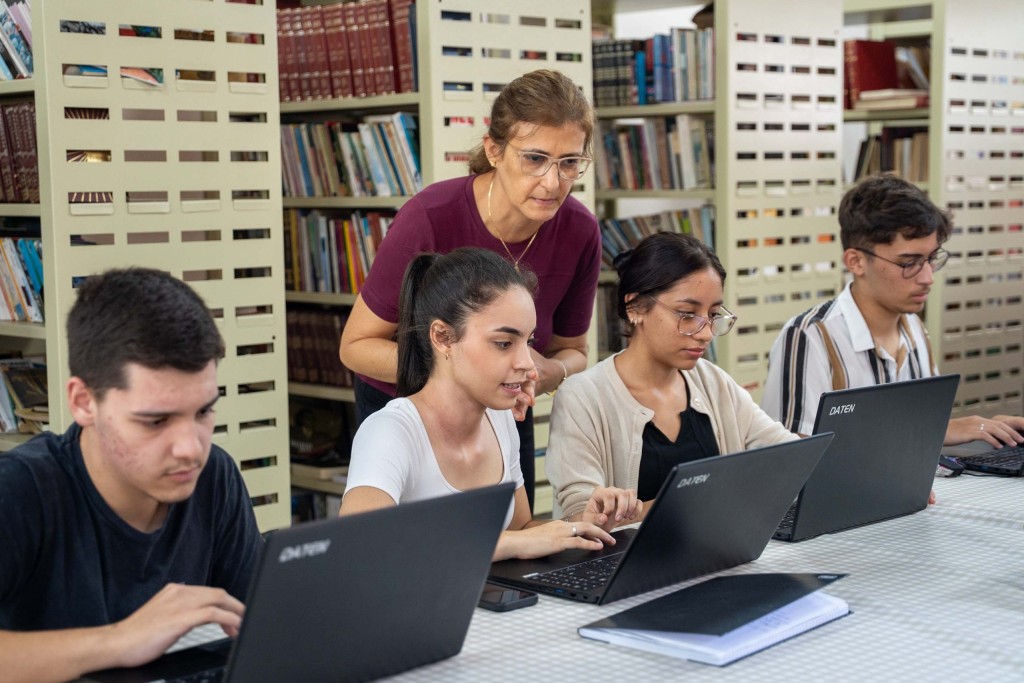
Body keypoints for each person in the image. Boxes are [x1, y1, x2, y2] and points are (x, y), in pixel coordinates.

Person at [339, 69, 603, 508]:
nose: (553, 182)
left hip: (503, 405)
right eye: (534, 159)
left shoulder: (581, 230)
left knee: (514, 535)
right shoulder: (429, 217)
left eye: (569, 163)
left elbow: (573, 350)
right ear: (493, 150)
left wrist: (548, 373)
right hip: (406, 411)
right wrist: (464, 374)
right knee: (420, 543)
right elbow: (355, 347)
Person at [0, 268, 262, 683]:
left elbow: (257, 633)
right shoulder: (19, 490)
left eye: (203, 411)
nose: (191, 449)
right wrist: (121, 640)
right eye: (156, 421)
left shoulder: (216, 475)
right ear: (84, 402)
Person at [339, 248, 629, 560]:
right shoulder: (390, 432)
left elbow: (521, 530)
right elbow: (363, 547)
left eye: (528, 342)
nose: (528, 364)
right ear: (442, 337)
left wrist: (580, 525)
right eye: (504, 344)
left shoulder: (500, 420)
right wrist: (514, 543)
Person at [547, 232, 797, 524]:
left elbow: (794, 457)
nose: (706, 333)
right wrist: (708, 499)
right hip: (630, 554)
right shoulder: (583, 396)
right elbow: (581, 515)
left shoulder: (714, 382)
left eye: (713, 314)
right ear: (635, 307)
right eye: (687, 314)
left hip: (717, 548)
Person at [762, 174, 1024, 448]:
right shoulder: (809, 337)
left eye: (931, 259)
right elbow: (792, 456)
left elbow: (915, 444)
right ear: (856, 262)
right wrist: (937, 430)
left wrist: (983, 433)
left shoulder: (914, 328)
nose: (927, 277)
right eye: (909, 263)